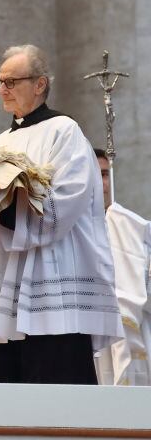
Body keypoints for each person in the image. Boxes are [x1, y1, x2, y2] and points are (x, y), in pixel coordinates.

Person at [0, 45, 121, 384]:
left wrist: (10, 200)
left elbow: (67, 202)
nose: (3, 89)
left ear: (40, 84)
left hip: (50, 283)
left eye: (12, 81)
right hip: (0, 277)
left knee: (54, 398)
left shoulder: (65, 132)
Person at [94, 148, 151, 386]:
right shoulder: (69, 233)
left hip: (135, 333)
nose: (102, 183)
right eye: (95, 175)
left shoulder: (134, 229)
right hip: (94, 336)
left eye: (105, 174)